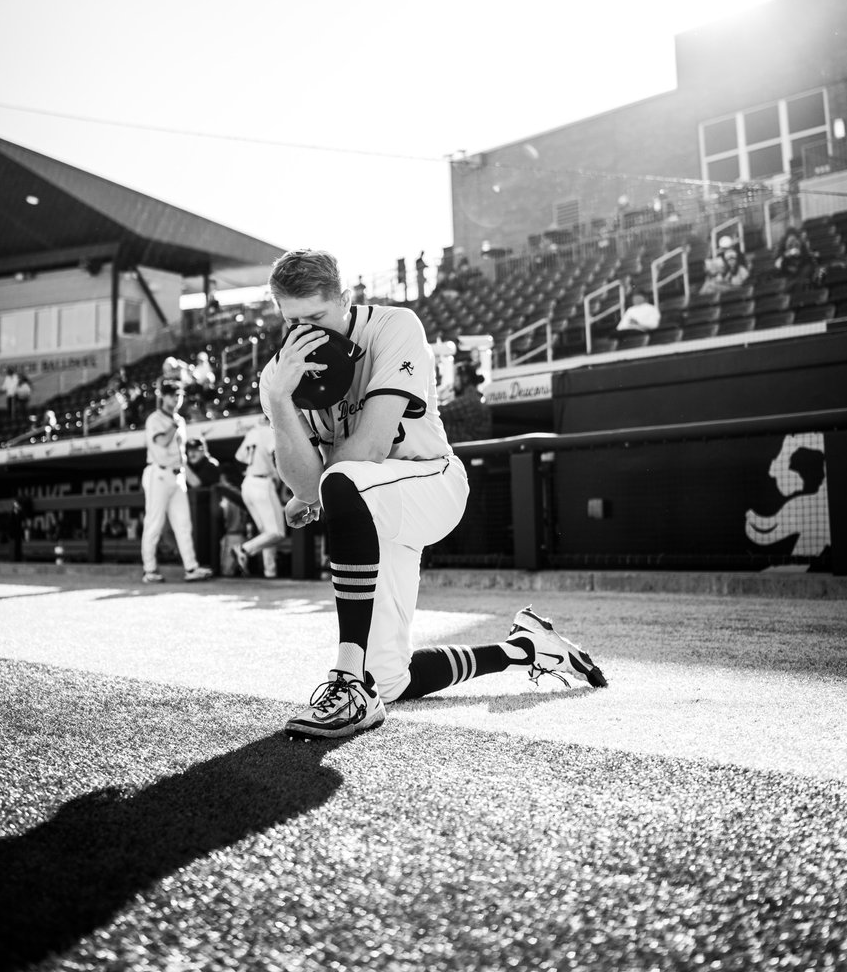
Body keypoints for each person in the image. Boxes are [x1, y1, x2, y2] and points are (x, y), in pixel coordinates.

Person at [259, 248, 607, 741]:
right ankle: (528, 649)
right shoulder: (278, 376)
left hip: (432, 484)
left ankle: (346, 681)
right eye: (294, 320)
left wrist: (317, 488)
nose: (307, 331)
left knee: (343, 480)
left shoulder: (394, 326)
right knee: (392, 679)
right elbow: (302, 484)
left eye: (317, 316)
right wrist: (278, 401)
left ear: (343, 299)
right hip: (371, 508)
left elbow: (371, 447)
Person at [140, 380, 212, 584]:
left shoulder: (179, 420)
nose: (176, 399)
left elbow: (181, 453)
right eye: (172, 395)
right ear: (163, 396)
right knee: (154, 523)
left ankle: (191, 568)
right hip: (158, 473)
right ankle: (149, 570)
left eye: (179, 395)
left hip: (177, 476)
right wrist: (173, 424)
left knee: (183, 524)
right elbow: (161, 441)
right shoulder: (155, 419)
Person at [234, 414, 286, 578]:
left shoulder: (253, 432)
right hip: (262, 483)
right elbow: (276, 455)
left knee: (266, 532)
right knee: (276, 533)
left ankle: (270, 572)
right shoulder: (269, 431)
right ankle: (244, 550)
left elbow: (240, 456)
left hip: (248, 483)